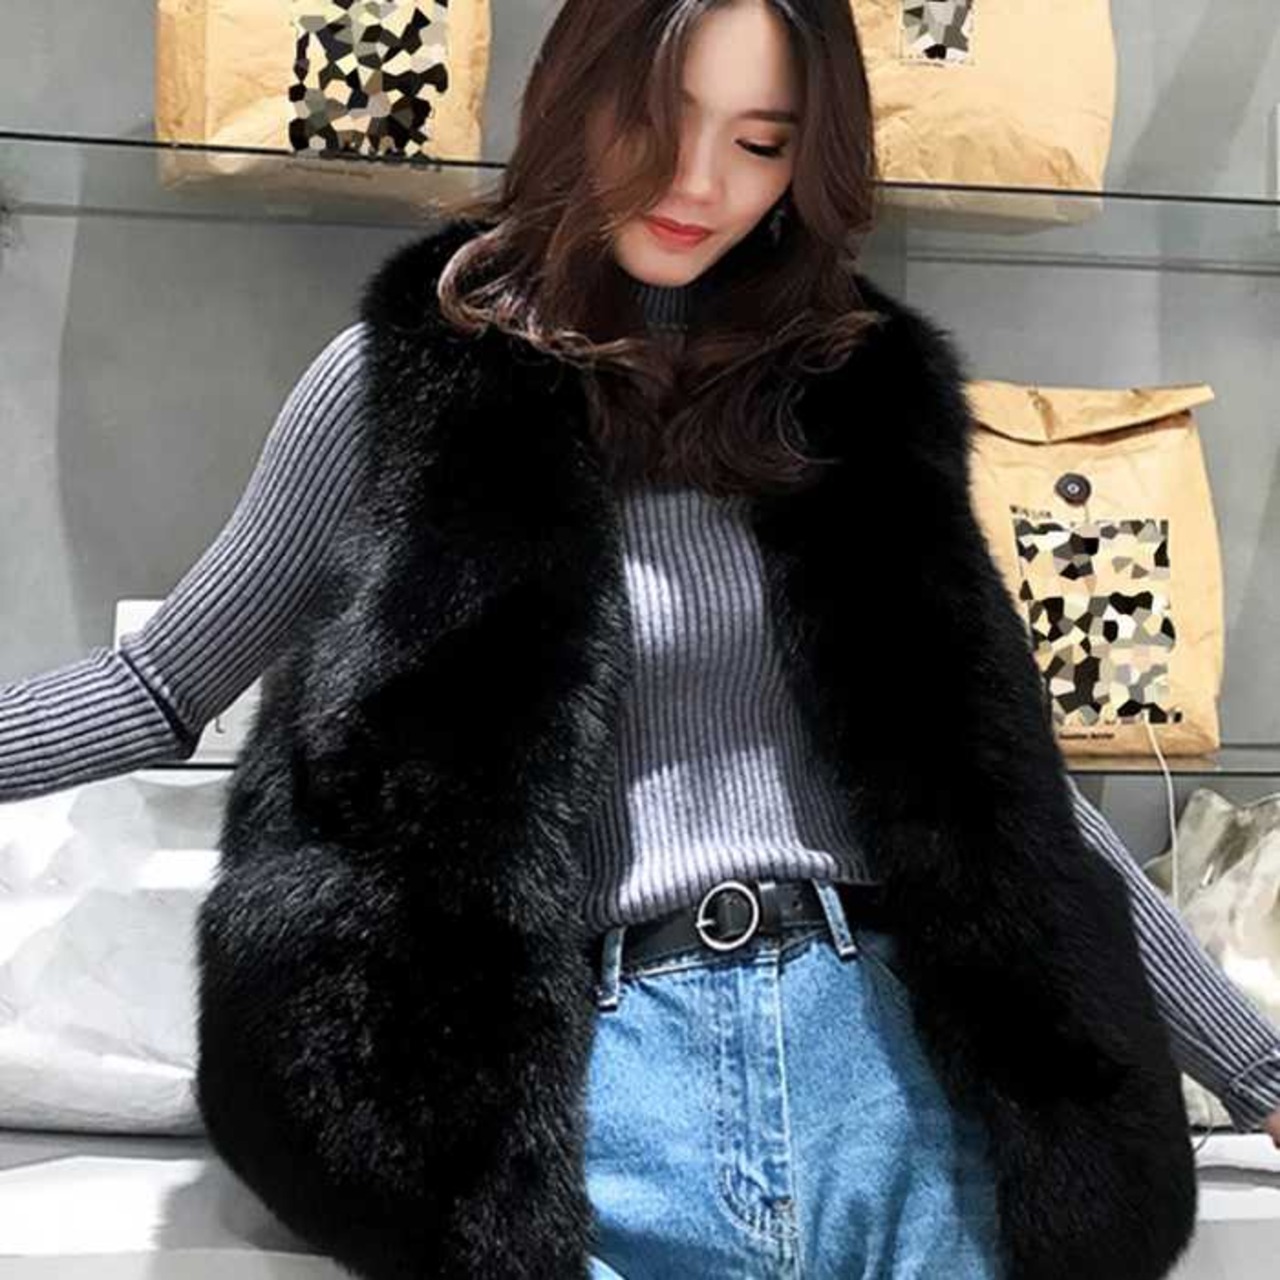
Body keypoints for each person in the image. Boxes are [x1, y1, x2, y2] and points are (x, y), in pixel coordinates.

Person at [3, 1, 1279, 1276]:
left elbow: (1003, 799)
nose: (697, 182)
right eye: (654, 119)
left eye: (760, 141)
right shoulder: (414, 381)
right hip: (580, 1093)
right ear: (574, 93)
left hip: (890, 1077)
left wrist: (1257, 1065)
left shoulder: (851, 403)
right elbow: (156, 684)